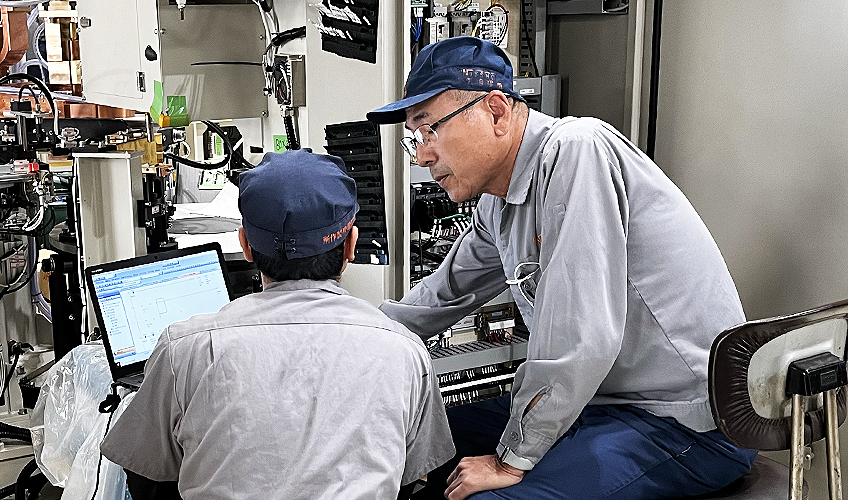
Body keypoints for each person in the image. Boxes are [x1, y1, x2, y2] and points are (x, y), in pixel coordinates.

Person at [366, 37, 757, 500]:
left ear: (495, 111)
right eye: (414, 137)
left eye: (428, 130)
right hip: (597, 406)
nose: (421, 155)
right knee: (417, 442)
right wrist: (351, 334)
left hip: (685, 423)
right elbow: (444, 294)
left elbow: (581, 334)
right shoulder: (498, 203)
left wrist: (510, 458)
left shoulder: (576, 151)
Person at [100, 149, 455, 500]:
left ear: (246, 246)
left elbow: (147, 474)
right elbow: (409, 478)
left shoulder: (184, 349)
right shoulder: (405, 351)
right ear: (350, 245)